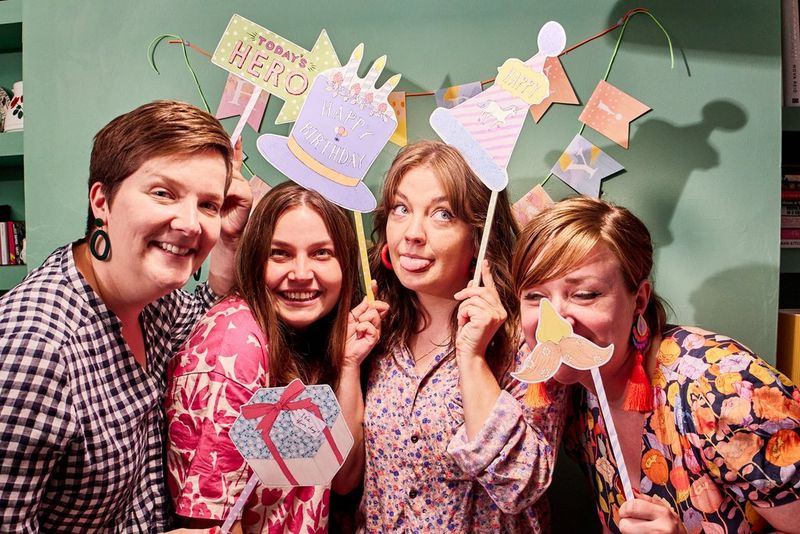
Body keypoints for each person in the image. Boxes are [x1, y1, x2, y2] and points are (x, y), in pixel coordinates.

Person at [0, 100, 252, 531]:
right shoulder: (34, 350)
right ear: (102, 200)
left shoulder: (154, 300)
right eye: (163, 193)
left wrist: (228, 240)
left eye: (208, 204)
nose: (191, 223)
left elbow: (207, 317)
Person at [512, 196, 800, 534]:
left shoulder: (723, 386)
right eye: (534, 296)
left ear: (640, 299)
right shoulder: (575, 398)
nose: (553, 323)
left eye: (585, 294)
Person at [359, 140, 566, 532]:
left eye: (442, 214)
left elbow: (521, 486)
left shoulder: (527, 339)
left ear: (477, 236)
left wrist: (472, 359)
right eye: (401, 209)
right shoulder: (378, 332)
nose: (413, 233)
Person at [166, 181, 387, 533]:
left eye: (321, 253)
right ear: (255, 260)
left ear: (345, 263)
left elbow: (341, 477)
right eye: (279, 253)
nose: (300, 274)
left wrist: (348, 365)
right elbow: (205, 521)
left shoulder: (304, 337)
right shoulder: (237, 347)